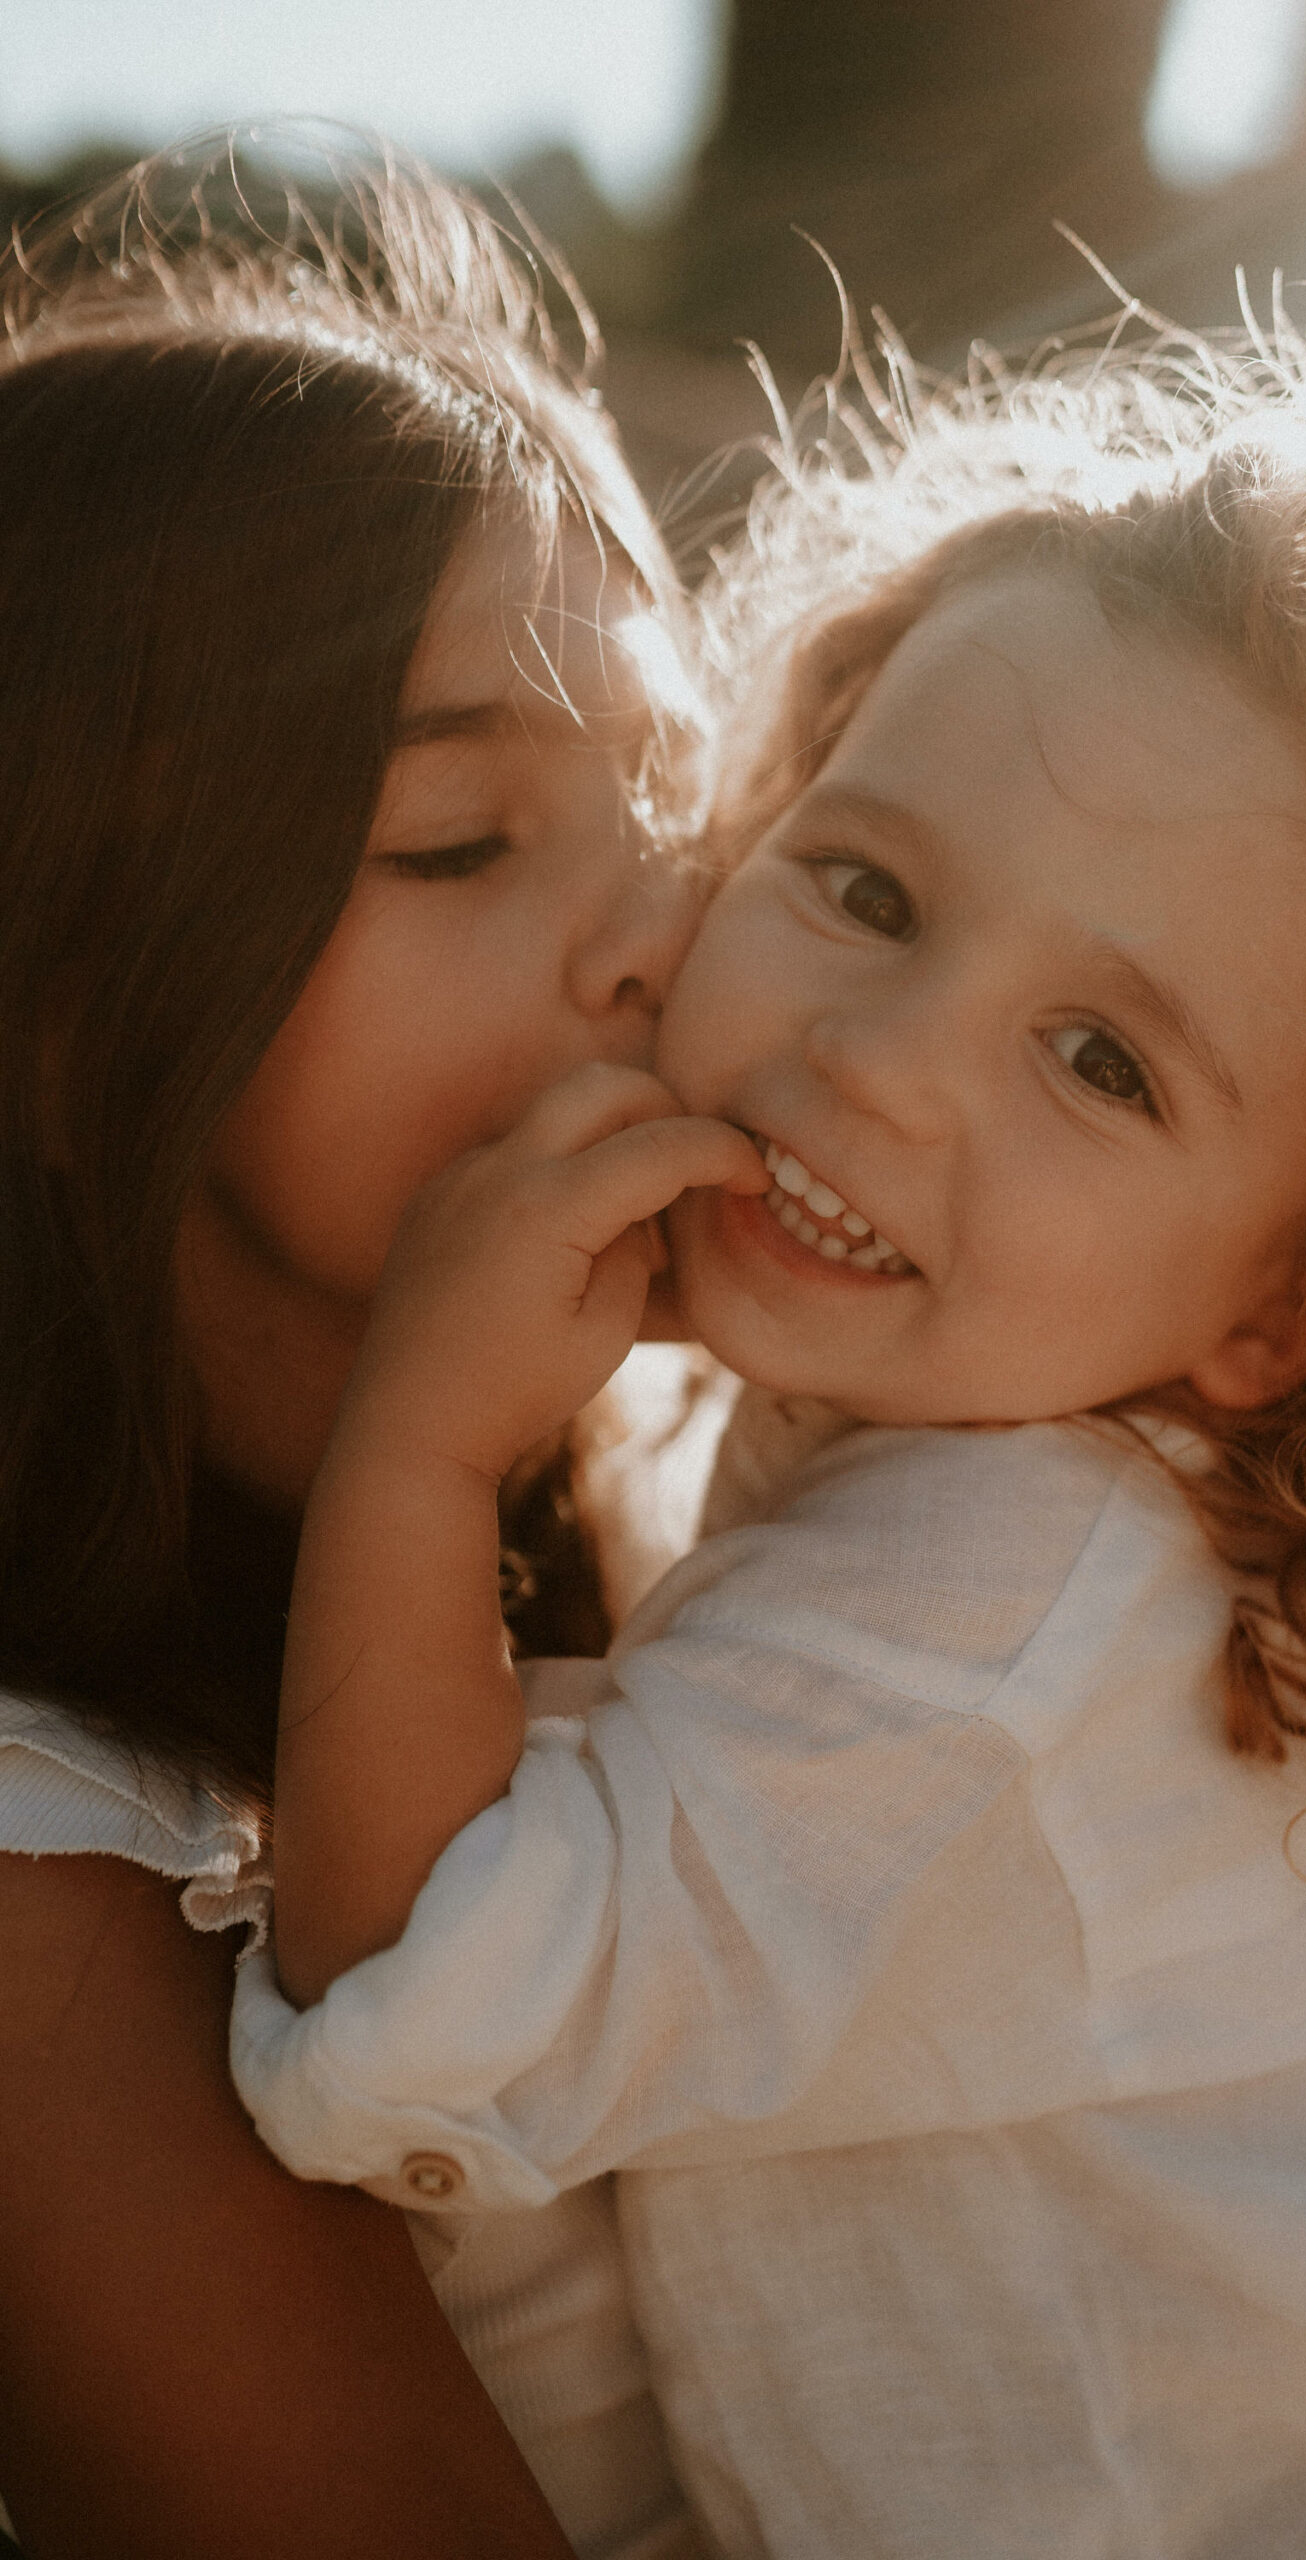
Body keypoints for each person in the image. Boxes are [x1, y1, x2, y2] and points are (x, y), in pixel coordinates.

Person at [233, 320, 1306, 2555]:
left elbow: (430, 2009)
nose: (884, 1061)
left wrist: (418, 1452)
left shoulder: (1018, 1619)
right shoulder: (904, 1420)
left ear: (1296, 1300)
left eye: (1099, 1059)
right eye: (866, 889)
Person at [0, 142, 712, 2558]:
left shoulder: (732, 1518)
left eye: (680, 811)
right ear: (61, 999)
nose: (654, 935)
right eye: (455, 842)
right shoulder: (39, 1890)